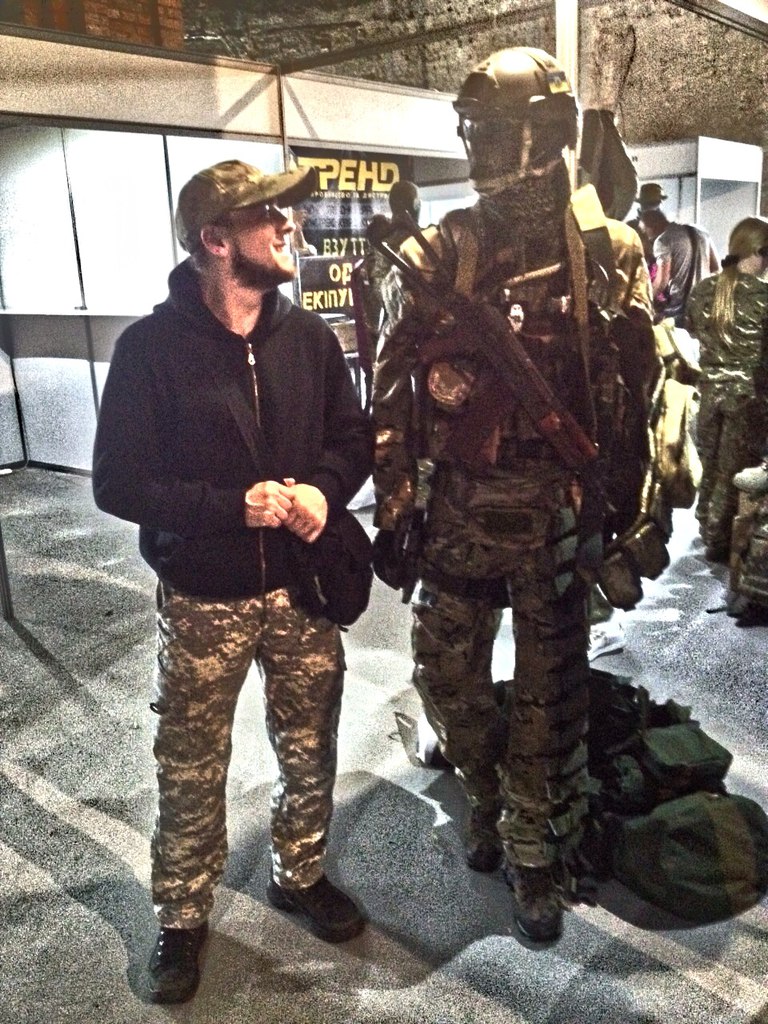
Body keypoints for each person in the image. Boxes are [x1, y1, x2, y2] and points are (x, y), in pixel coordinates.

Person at [371, 48, 655, 944]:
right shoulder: (441, 251)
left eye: (500, 134)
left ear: (548, 135)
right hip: (461, 510)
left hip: (559, 510)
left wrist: (632, 508)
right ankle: (488, 795)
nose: (484, 152)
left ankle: (534, 850)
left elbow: (636, 390)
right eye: (478, 135)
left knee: (549, 695)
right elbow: (390, 391)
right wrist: (395, 503)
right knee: (448, 677)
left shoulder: (609, 252)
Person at [92, 159, 373, 1003]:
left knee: (310, 744)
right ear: (216, 240)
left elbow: (353, 440)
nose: (291, 227)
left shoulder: (309, 339)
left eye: (289, 214)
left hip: (301, 590)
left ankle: (300, 872)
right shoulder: (149, 350)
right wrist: (229, 509)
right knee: (190, 762)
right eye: (270, 216)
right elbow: (118, 482)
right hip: (203, 597)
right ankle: (181, 916)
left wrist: (324, 490)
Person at [685, 216, 768, 562]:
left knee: (711, 464)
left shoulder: (705, 289)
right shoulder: (763, 296)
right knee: (731, 471)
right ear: (759, 252)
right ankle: (718, 538)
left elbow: (692, 329)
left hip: (708, 395)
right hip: (746, 399)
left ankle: (706, 523)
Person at [639, 207, 719, 326]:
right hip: (705, 304)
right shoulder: (702, 233)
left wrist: (646, 299)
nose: (646, 236)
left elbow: (662, 281)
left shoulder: (663, 240)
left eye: (644, 231)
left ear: (652, 226)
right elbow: (716, 268)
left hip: (681, 308)